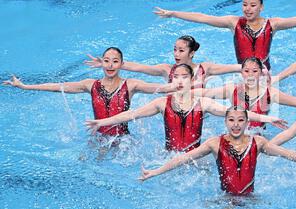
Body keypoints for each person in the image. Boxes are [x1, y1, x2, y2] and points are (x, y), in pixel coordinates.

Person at [85, 64, 288, 152]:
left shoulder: (203, 103)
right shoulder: (162, 103)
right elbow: (132, 114)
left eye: (184, 77)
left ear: (192, 80)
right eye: (176, 78)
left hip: (196, 158)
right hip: (169, 156)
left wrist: (269, 119)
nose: (180, 81)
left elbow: (236, 114)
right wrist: (102, 122)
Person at [139, 106, 296, 196]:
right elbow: (183, 159)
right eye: (231, 120)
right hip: (225, 198)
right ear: (225, 122)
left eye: (240, 120)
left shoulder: (258, 142)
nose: (236, 124)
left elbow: (290, 155)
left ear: (247, 123)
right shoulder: (214, 143)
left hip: (251, 197)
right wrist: (156, 171)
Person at [3, 47, 176, 136]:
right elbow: (58, 86)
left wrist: (179, 86)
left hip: (123, 140)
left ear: (122, 64)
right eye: (106, 61)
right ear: (101, 63)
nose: (110, 65)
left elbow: (159, 89)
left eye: (115, 61)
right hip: (97, 137)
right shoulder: (90, 85)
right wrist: (25, 86)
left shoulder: (130, 85)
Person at [154, 0, 296, 70]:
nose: (248, 9)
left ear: (261, 7)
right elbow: (204, 18)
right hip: (243, 72)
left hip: (265, 73)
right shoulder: (233, 23)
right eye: (245, 5)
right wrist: (173, 13)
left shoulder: (273, 24)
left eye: (253, 5)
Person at [193, 57, 296, 134]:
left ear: (260, 73)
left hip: (258, 139)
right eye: (246, 71)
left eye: (254, 71)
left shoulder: (270, 93)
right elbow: (204, 93)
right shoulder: (231, 90)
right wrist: (180, 91)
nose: (250, 75)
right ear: (241, 72)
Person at [85, 35, 242, 88]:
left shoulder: (205, 68)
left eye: (181, 50)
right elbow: (140, 68)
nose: (176, 54)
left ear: (192, 53)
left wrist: (256, 68)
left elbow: (233, 68)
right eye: (175, 49)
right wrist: (110, 63)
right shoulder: (167, 70)